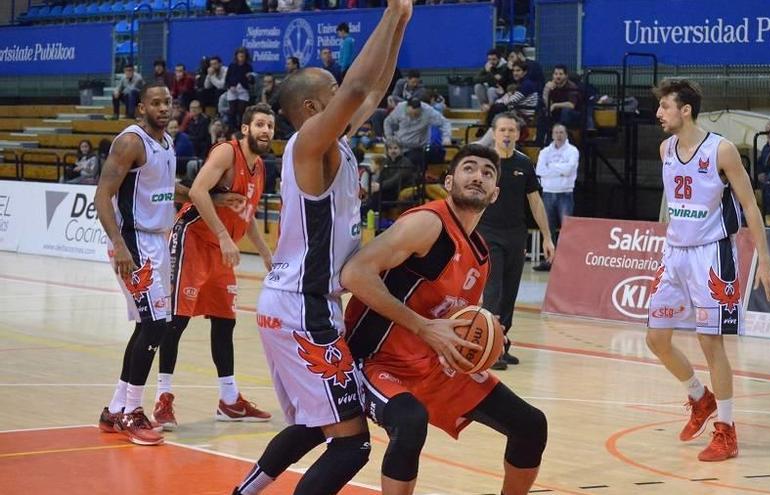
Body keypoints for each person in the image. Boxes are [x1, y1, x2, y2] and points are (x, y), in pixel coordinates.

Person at [232, 2, 412, 493]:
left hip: (294, 303)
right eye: (331, 94)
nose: (344, 98)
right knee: (351, 442)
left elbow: (373, 88)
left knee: (316, 422)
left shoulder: (334, 142)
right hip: (303, 308)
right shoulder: (309, 145)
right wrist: (386, 13)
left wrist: (401, 21)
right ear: (312, 109)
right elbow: (356, 87)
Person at [341, 144, 547, 495]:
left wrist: (485, 337)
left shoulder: (481, 255)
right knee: (410, 422)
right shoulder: (428, 223)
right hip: (374, 360)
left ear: (495, 194)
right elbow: (354, 274)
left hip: (430, 363)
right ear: (449, 181)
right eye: (469, 168)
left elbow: (453, 317)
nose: (478, 176)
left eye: (487, 172)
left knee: (530, 424)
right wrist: (423, 327)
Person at [647, 79, 770, 462]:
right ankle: (698, 397)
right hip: (674, 253)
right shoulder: (665, 148)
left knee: (711, 343)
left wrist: (766, 261)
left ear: (685, 109)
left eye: (665, 106)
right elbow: (673, 200)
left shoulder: (721, 150)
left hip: (712, 254)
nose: (659, 113)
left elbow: (750, 207)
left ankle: (727, 430)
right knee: (656, 339)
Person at [153, 103, 276, 430]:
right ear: (246, 128)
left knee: (225, 323)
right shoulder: (226, 153)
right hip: (193, 238)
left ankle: (229, 399)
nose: (266, 130)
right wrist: (223, 235)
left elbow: (245, 215)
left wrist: (266, 253)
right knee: (176, 320)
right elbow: (195, 191)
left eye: (270, 126)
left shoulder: (260, 167)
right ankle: (162, 397)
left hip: (222, 249)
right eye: (260, 124)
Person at [94, 83, 184, 446]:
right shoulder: (131, 142)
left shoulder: (167, 142)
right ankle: (131, 412)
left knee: (148, 326)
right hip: (133, 242)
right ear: (141, 108)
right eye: (156, 103)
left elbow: (163, 188)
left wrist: (206, 196)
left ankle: (116, 409)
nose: (164, 108)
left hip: (158, 240)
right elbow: (102, 194)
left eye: (168, 102)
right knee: (155, 326)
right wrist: (119, 245)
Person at [478, 112, 555, 370]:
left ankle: (502, 342)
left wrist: (547, 236)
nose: (508, 135)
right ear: (494, 133)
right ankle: (489, 348)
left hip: (515, 234)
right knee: (494, 290)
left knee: (510, 292)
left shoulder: (524, 163)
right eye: (503, 130)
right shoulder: (485, 164)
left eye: (512, 130)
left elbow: (535, 201)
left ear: (518, 134)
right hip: (488, 234)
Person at [533, 124, 578, 271]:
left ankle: (563, 262)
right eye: (556, 132)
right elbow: (540, 170)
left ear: (566, 134)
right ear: (552, 134)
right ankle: (549, 260)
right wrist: (560, 169)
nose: (558, 135)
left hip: (565, 193)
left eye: (561, 132)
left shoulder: (572, 151)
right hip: (547, 193)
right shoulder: (545, 151)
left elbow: (569, 169)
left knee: (567, 229)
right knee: (548, 229)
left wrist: (551, 167)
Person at [226, 47, 254, 130]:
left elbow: (252, 81)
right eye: (240, 56)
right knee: (232, 111)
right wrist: (230, 86)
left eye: (243, 56)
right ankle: (232, 128)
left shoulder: (248, 67)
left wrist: (249, 78)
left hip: (243, 90)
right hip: (232, 90)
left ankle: (240, 128)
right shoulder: (232, 66)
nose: (241, 58)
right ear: (236, 56)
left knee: (241, 110)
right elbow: (227, 79)